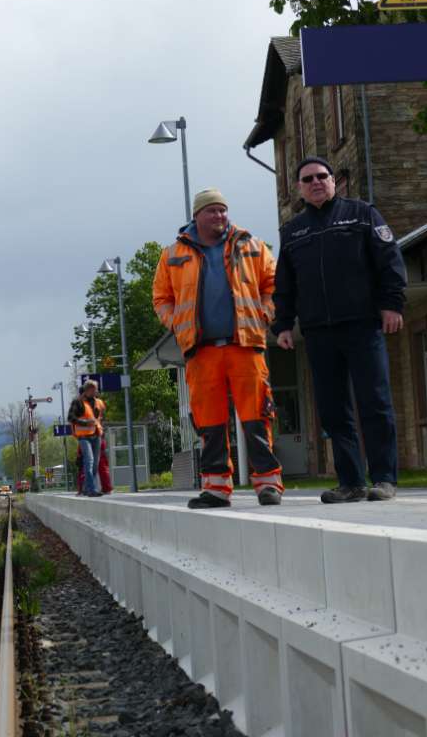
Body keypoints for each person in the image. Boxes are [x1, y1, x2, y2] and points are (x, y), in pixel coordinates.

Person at [272, 156, 406, 503]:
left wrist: (392, 303)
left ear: (333, 181)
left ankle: (384, 478)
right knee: (333, 409)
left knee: (374, 402)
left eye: (322, 176)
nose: (316, 182)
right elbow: (284, 285)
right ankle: (350, 482)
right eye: (308, 179)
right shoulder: (292, 232)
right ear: (299, 189)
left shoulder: (362, 214)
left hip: (362, 325)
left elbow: (389, 259)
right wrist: (283, 325)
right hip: (318, 332)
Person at [153, 187, 284, 508]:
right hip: (201, 350)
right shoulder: (172, 255)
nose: (220, 215)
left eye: (223, 210)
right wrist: (177, 322)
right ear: (197, 216)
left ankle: (268, 484)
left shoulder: (251, 245)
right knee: (208, 422)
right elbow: (161, 298)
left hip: (245, 345)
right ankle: (215, 488)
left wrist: (265, 313)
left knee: (256, 417)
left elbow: (273, 285)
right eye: (212, 210)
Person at [68, 380, 105, 497]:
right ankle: (91, 489)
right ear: (88, 390)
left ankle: (86, 487)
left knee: (95, 465)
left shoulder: (97, 402)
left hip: (96, 435)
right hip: (84, 437)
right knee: (89, 462)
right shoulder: (78, 402)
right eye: (94, 390)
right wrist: (84, 423)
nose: (96, 392)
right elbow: (71, 417)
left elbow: (99, 417)